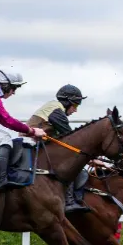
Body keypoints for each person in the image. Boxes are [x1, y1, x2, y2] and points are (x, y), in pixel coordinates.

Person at [27, 84, 91, 213]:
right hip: (34, 145)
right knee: (72, 166)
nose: (75, 110)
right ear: (67, 102)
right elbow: (71, 138)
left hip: (38, 144)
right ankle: (69, 202)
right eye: (76, 105)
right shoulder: (56, 110)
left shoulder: (53, 108)